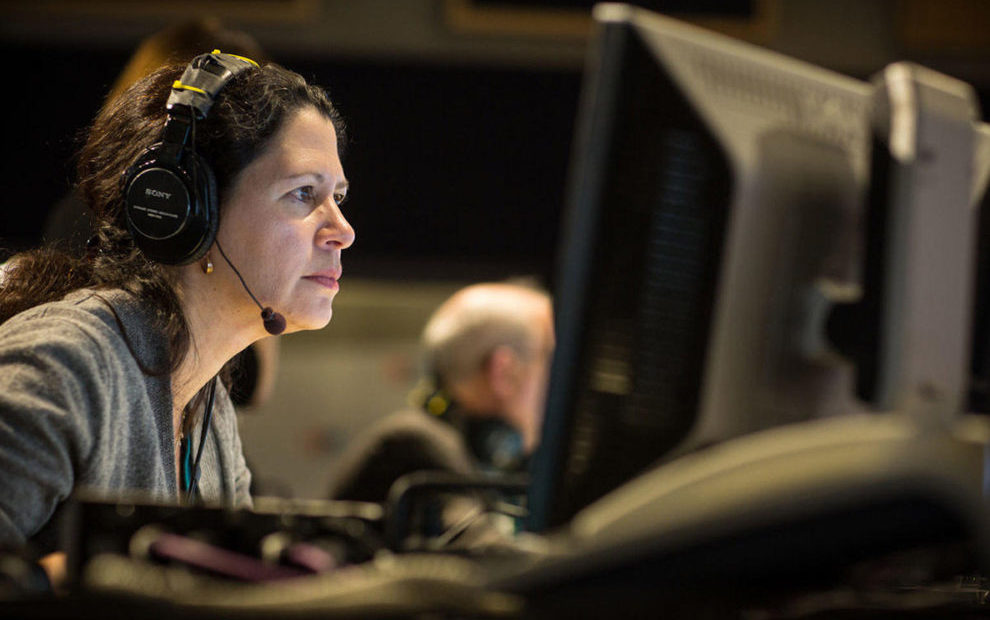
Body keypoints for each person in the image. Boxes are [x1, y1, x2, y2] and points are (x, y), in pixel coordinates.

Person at [0, 51, 355, 559]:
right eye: (303, 194)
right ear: (188, 210)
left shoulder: (208, 409)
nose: (343, 231)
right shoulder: (65, 361)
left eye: (338, 197)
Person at [327, 282, 553, 504]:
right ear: (504, 372)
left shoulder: (470, 458)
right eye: (552, 361)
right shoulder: (414, 447)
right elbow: (484, 541)